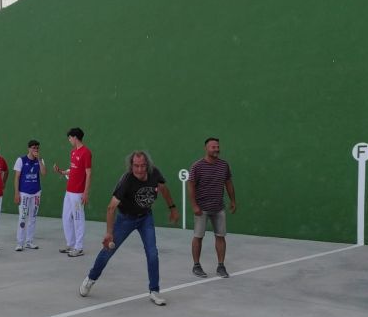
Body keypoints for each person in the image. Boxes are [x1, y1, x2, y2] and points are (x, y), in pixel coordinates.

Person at [80, 151, 179, 306]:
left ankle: (154, 290)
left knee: (152, 253)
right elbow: (111, 208)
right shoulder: (126, 180)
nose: (139, 170)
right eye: (136, 166)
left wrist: (172, 207)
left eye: (142, 166)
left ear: (148, 165)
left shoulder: (154, 173)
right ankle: (91, 278)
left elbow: (163, 189)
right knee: (108, 251)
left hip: (145, 217)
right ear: (131, 166)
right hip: (125, 219)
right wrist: (108, 233)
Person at [188, 137, 236, 278]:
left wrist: (233, 200)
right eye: (213, 147)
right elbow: (190, 185)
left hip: (218, 208)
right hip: (201, 208)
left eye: (217, 147)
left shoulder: (224, 165)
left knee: (220, 236)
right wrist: (194, 205)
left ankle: (221, 266)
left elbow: (228, 183)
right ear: (206, 149)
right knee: (198, 236)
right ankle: (196, 266)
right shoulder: (197, 166)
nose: (216, 149)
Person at [53, 127, 91, 257]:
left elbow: (88, 174)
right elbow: (73, 169)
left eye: (69, 138)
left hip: (78, 193)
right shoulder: (73, 152)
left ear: (75, 137)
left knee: (78, 219)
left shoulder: (86, 152)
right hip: (69, 191)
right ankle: (71, 244)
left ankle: (79, 248)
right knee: (66, 218)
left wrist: (86, 192)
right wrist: (62, 172)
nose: (69, 140)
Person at [13, 139, 46, 251]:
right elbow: (17, 177)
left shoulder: (39, 160)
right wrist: (17, 193)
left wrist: (39, 160)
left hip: (36, 193)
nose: (35, 150)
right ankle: (19, 243)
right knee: (23, 218)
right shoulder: (21, 160)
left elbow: (44, 173)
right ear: (29, 149)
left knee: (33, 218)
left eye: (37, 148)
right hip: (24, 193)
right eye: (33, 148)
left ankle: (29, 241)